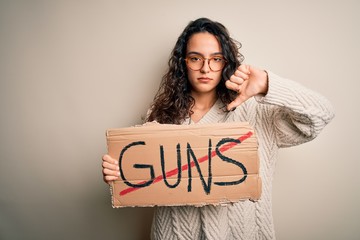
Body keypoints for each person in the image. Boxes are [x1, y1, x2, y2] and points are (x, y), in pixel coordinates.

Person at [102, 18, 334, 240]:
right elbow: (149, 177)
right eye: (195, 58)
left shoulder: (256, 112)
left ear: (226, 63)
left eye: (215, 59)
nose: (205, 68)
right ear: (183, 63)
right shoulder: (162, 113)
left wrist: (267, 83)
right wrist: (122, 172)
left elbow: (321, 115)